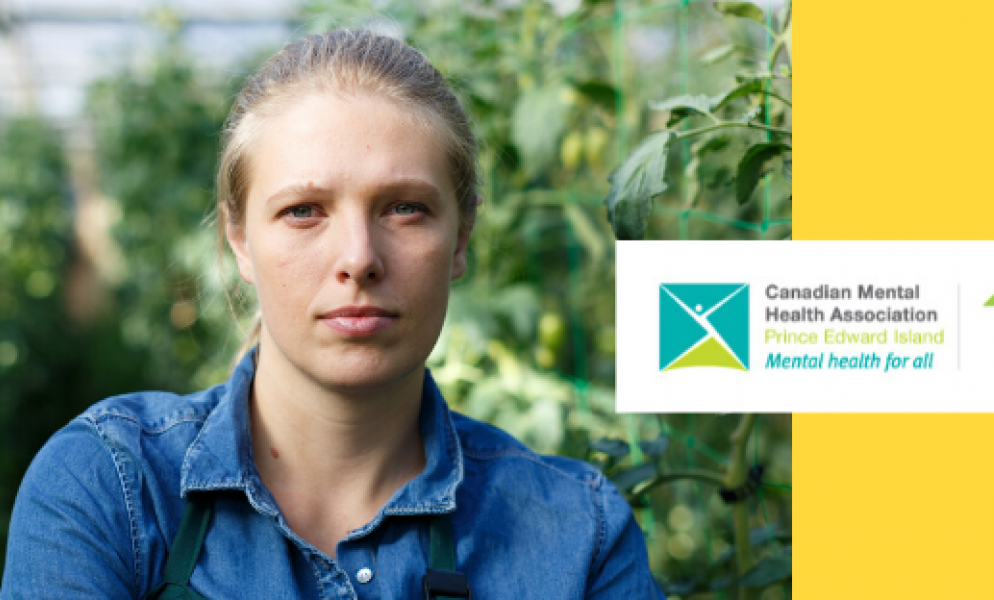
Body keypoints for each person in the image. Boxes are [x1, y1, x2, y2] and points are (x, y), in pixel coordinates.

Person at [1, 29, 662, 599]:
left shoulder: (576, 536)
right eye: (303, 211)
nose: (358, 258)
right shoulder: (112, 486)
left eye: (405, 207)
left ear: (460, 239)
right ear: (239, 240)